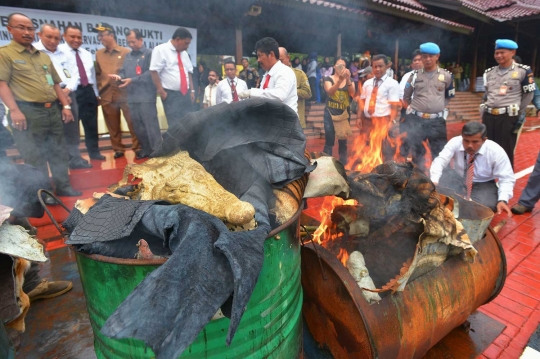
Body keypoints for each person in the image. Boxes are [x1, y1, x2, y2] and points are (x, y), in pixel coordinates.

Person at [0, 13, 81, 199]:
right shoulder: (5, 54)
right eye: (21, 27)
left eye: (30, 28)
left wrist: (66, 107)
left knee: (58, 151)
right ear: (10, 29)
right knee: (34, 155)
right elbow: (2, 83)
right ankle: (43, 193)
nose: (27, 32)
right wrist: (14, 110)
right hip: (26, 112)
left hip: (52, 110)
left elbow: (55, 84)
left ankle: (63, 187)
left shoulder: (43, 57)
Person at [35, 24, 91, 170]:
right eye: (49, 37)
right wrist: (59, 94)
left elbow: (74, 74)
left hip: (68, 92)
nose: (53, 41)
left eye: (56, 38)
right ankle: (58, 161)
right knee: (53, 130)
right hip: (47, 96)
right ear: (40, 35)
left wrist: (67, 91)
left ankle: (74, 158)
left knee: (72, 129)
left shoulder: (65, 52)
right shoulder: (34, 51)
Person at [430, 122, 514, 216]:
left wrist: (503, 199)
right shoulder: (455, 142)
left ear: (484, 140)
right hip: (458, 177)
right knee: (437, 194)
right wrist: (434, 180)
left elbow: (507, 178)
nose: (470, 145)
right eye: (466, 141)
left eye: (475, 142)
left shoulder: (496, 151)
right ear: (462, 137)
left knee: (485, 207)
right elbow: (440, 160)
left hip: (483, 182)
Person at [480, 39, 535, 169]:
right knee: (487, 148)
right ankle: (488, 180)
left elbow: (529, 95)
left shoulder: (523, 71)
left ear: (512, 52)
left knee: (505, 151)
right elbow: (487, 94)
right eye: (496, 53)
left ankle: (505, 182)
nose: (498, 55)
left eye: (502, 52)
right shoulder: (489, 73)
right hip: (488, 116)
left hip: (508, 117)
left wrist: (517, 113)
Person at [402, 42, 455, 171]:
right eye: (424, 56)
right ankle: (418, 181)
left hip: (436, 122)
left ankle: (441, 183)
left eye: (431, 56)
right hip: (417, 121)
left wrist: (436, 108)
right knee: (417, 152)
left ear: (438, 56)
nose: (428, 59)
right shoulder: (414, 76)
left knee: (439, 153)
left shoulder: (447, 76)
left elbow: (448, 96)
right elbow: (406, 97)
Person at [110, 29, 162, 159]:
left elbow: (151, 74)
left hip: (146, 97)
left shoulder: (150, 54)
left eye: (133, 42)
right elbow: (123, 72)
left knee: (150, 126)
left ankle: (157, 151)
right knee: (138, 126)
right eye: (128, 42)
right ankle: (145, 150)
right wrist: (119, 77)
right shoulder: (128, 56)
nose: (131, 45)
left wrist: (132, 80)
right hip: (132, 97)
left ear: (141, 40)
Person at [94, 22, 140, 159]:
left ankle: (137, 147)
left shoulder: (126, 52)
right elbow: (97, 74)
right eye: (99, 36)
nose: (100, 38)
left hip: (125, 94)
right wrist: (99, 92)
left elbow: (132, 72)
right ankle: (118, 149)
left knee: (133, 123)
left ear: (111, 35)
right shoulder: (98, 54)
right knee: (112, 126)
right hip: (107, 95)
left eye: (102, 35)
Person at [60, 25, 105, 161]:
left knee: (91, 124)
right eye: (72, 36)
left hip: (89, 91)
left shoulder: (86, 53)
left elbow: (92, 76)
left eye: (79, 37)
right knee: (72, 128)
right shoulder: (59, 52)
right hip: (71, 92)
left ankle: (94, 152)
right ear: (64, 37)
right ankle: (74, 157)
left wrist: (96, 93)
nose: (76, 40)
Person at [357, 54, 400, 160]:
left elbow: (394, 105)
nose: (377, 69)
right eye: (375, 66)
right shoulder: (367, 83)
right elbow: (362, 101)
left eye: (380, 66)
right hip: (367, 121)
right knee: (366, 148)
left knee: (385, 150)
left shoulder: (392, 84)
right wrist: (359, 117)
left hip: (383, 121)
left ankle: (385, 173)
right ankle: (368, 171)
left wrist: (392, 121)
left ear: (386, 66)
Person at [238, 37, 298, 113]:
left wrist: (252, 92)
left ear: (271, 54)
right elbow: (263, 97)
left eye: (260, 55)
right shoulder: (267, 75)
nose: (258, 60)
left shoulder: (284, 71)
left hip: (285, 122)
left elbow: (279, 96)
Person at [150, 27, 195, 127]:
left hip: (185, 93)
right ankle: (176, 143)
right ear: (178, 39)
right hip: (170, 94)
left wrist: (192, 91)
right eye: (186, 43)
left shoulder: (184, 54)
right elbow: (154, 71)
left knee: (188, 122)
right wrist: (161, 91)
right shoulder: (160, 50)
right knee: (175, 125)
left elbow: (189, 73)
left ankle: (188, 143)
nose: (187, 47)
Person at [322, 58, 355, 164]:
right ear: (334, 67)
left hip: (344, 115)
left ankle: (343, 165)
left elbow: (353, 93)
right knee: (329, 140)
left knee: (343, 141)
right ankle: (326, 164)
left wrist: (348, 79)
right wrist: (340, 80)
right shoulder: (328, 78)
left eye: (343, 65)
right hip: (330, 114)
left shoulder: (350, 81)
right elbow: (330, 91)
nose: (341, 67)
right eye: (339, 65)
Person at [279, 47, 311, 128]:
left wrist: (292, 90)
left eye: (281, 60)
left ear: (288, 58)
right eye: (276, 61)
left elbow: (308, 93)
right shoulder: (271, 77)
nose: (278, 64)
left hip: (296, 122)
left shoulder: (299, 74)